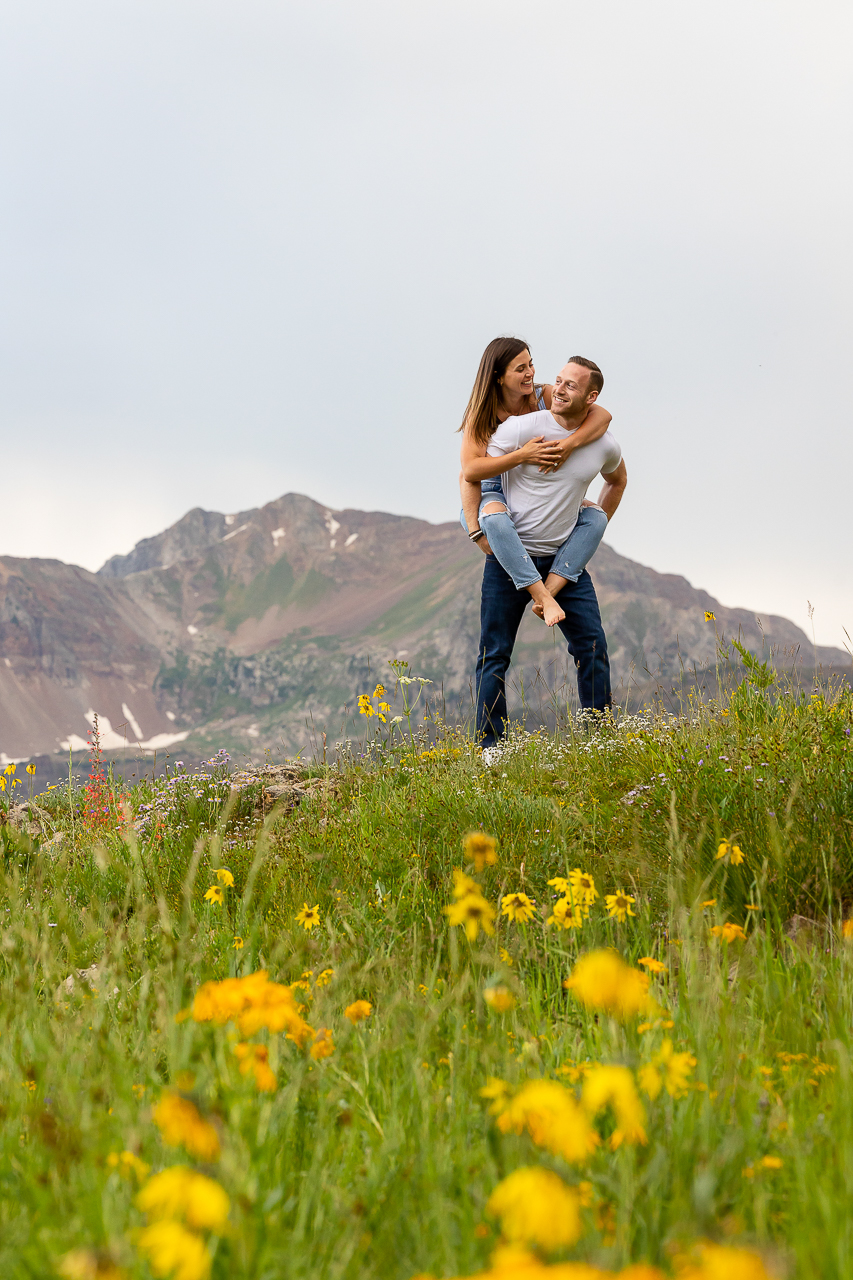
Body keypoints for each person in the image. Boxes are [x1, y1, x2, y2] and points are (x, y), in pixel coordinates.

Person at [475, 356, 627, 753]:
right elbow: (477, 469)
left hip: (562, 562)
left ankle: (601, 743)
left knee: (591, 646)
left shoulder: (604, 444)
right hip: (510, 560)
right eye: (557, 381)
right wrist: (478, 520)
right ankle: (492, 749)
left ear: (590, 397)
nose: (557, 389)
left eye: (571, 385)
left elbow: (618, 479)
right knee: (494, 655)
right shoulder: (522, 427)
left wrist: (594, 524)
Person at [459, 337, 612, 627]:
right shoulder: (481, 416)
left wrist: (569, 444)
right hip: (495, 488)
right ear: (498, 376)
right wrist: (476, 533)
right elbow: (469, 472)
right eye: (520, 368)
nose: (530, 372)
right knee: (494, 518)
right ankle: (543, 596)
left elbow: (603, 414)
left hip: (530, 491)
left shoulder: (542, 396)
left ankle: (550, 591)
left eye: (531, 364)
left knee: (595, 517)